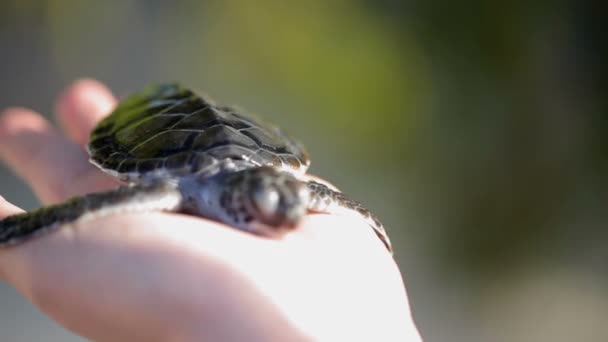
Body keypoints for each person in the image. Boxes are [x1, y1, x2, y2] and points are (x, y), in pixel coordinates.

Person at [0, 79, 422, 341]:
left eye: (292, 203)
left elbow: (313, 199)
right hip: (167, 134)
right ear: (238, 200)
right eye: (271, 206)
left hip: (243, 142)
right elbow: (94, 204)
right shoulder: (175, 187)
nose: (289, 220)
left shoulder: (287, 191)